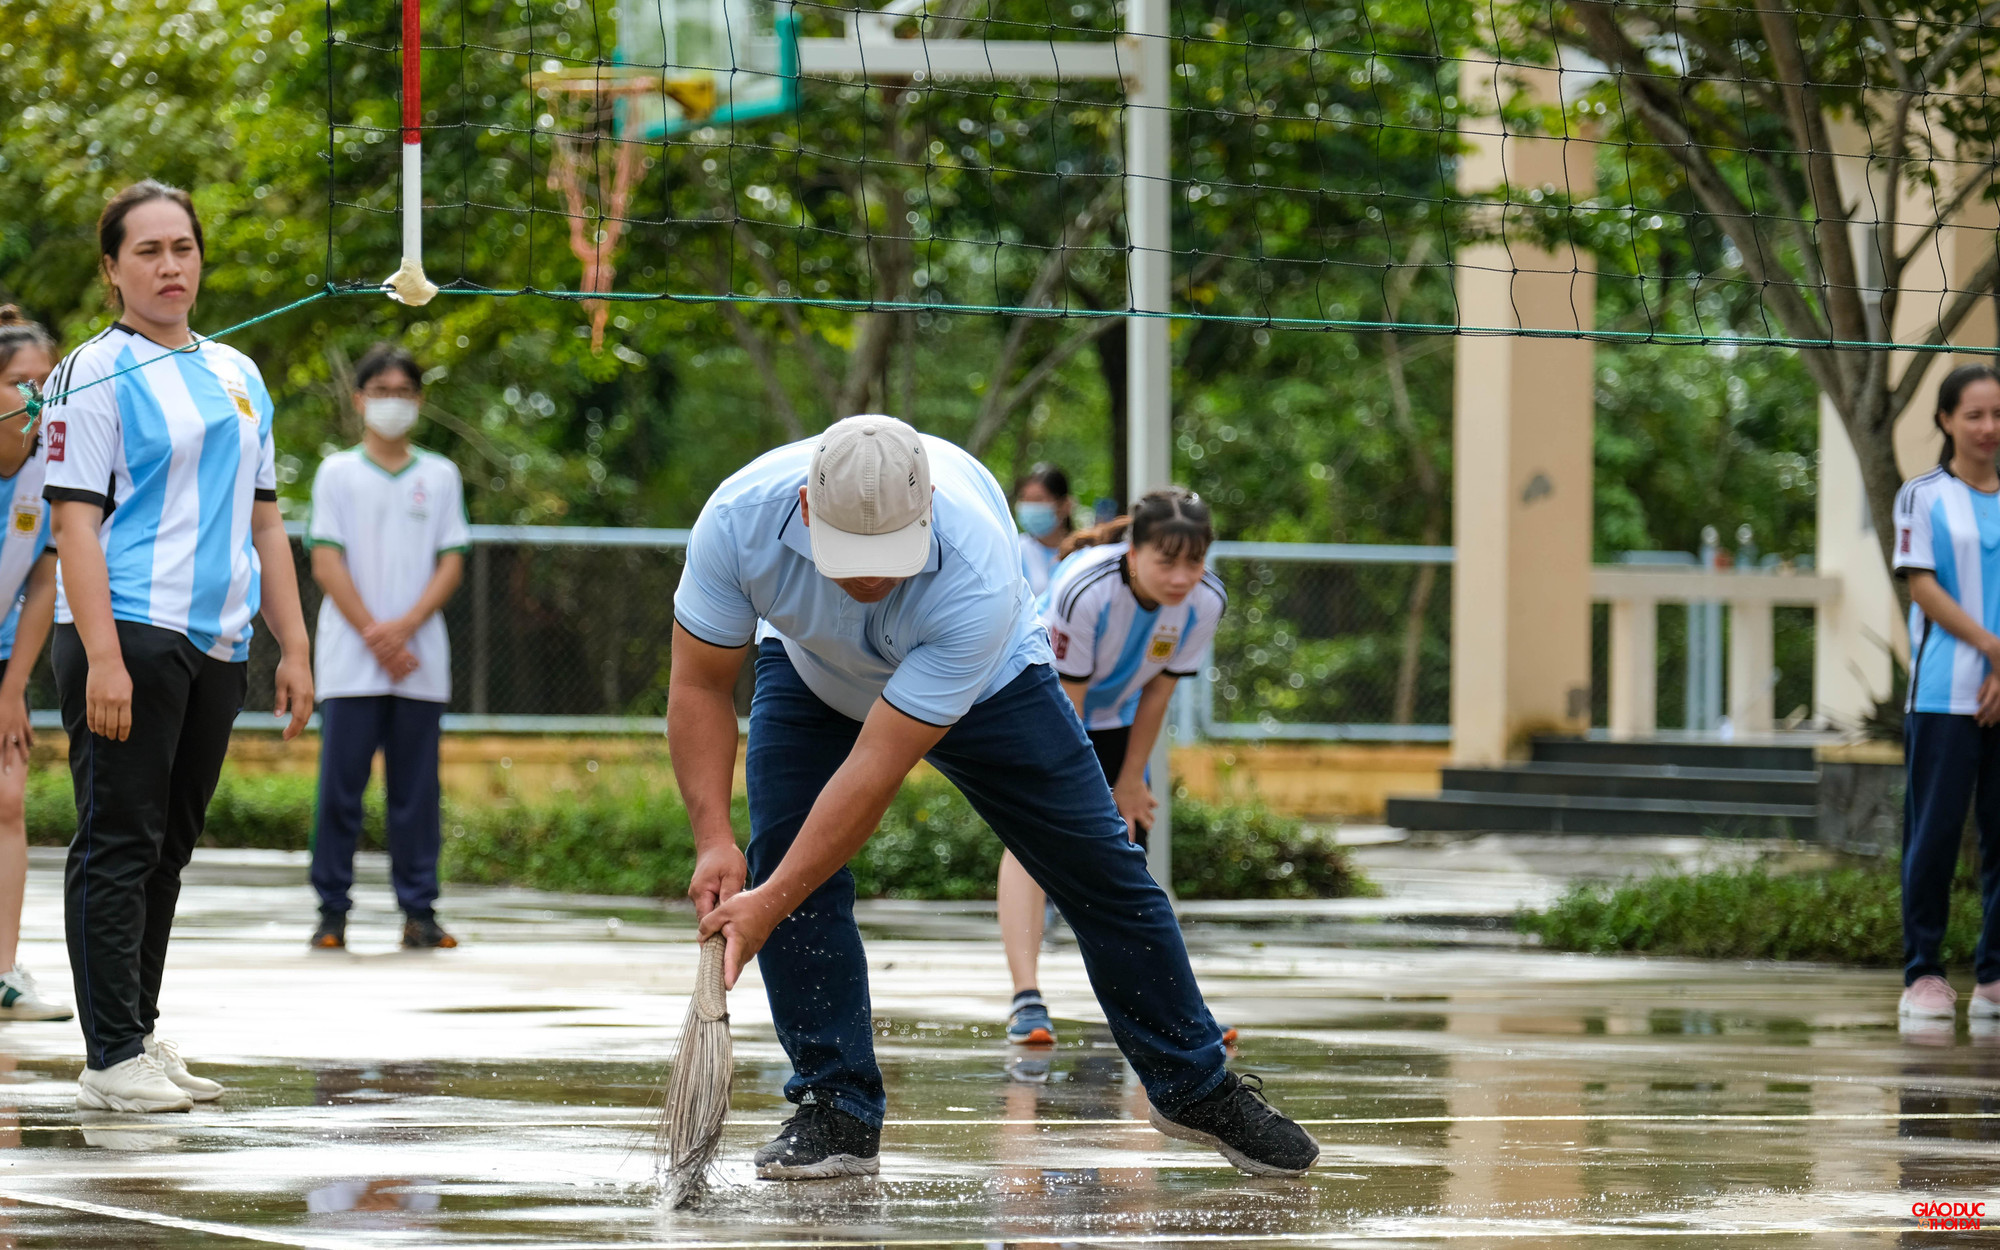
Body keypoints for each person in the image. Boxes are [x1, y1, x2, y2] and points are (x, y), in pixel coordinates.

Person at [673, 414, 1318, 1180]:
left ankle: (1194, 1086)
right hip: (811, 670)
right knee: (781, 853)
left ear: (929, 508)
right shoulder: (737, 521)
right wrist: (715, 836)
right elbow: (701, 682)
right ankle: (836, 1107)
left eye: (891, 556)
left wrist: (771, 898)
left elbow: (878, 766)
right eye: (852, 556)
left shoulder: (975, 566)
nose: (871, 578)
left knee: (1102, 868)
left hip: (989, 681)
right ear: (808, 510)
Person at [43, 180, 313, 1112]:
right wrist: (105, 657)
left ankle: (141, 1033)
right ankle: (107, 1053)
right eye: (148, 251)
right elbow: (74, 525)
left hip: (217, 642)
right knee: (117, 840)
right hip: (128, 631)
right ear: (112, 269)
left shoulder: (239, 373)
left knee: (170, 847)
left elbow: (267, 521)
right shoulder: (93, 369)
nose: (170, 266)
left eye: (183, 248)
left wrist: (297, 647)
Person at [998, 489, 1229, 1049]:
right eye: (1166, 561)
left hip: (1120, 716)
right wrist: (1077, 795)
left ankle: (1163, 1009)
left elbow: (1156, 696)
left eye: (1193, 562)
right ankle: (1027, 1000)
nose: (1181, 577)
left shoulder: (1205, 600)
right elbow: (1064, 703)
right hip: (1037, 704)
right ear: (1133, 551)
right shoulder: (1086, 588)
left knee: (1125, 854)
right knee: (1035, 844)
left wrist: (1130, 780)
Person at [304, 344, 468, 951]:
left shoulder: (440, 474)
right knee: (340, 790)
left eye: (404, 392)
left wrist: (404, 629)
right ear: (360, 399)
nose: (392, 403)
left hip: (420, 663)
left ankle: (420, 912)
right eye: (382, 391)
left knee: (417, 793)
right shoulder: (336, 472)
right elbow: (325, 559)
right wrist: (376, 632)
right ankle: (332, 913)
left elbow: (452, 560)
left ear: (419, 400)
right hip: (350, 662)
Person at [1894, 363, 2000, 1024]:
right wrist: (1992, 649)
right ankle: (1923, 973)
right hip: (1943, 696)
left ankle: (1994, 976)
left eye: (1997, 415)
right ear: (1945, 420)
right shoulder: (1924, 495)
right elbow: (1923, 586)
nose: (1989, 429)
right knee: (1933, 837)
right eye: (1975, 416)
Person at [0, 309, 73, 1021]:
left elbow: (44, 583)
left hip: (4, 660)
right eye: (22, 383)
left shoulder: (51, 473)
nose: (35, 396)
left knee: (9, 801)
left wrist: (14, 685)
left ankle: (4, 972)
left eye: (47, 384)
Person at [1014, 462, 1074, 598]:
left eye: (1038, 499)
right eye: (1025, 499)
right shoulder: (1016, 549)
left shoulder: (1082, 552)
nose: (1029, 507)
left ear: (1064, 505)